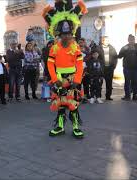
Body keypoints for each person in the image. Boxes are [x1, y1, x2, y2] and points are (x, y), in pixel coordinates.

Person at [42, 0, 87, 138]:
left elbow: (79, 64)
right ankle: (60, 127)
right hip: (59, 79)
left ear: (72, 34)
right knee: (61, 105)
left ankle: (75, 127)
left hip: (72, 78)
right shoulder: (54, 48)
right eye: (64, 35)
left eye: (69, 35)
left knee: (73, 105)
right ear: (59, 35)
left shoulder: (76, 47)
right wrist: (55, 80)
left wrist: (77, 80)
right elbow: (50, 64)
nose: (66, 37)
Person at [95, 36, 118, 100]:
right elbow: (95, 58)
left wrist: (114, 66)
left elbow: (115, 57)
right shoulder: (98, 48)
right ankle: (98, 96)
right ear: (102, 41)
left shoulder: (112, 48)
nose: (107, 41)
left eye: (108, 40)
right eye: (106, 40)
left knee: (109, 84)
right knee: (99, 83)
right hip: (101, 69)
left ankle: (108, 96)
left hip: (110, 68)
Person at [118, 34, 137, 101]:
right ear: (128, 40)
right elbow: (119, 56)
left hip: (135, 68)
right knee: (127, 82)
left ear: (134, 40)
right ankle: (127, 96)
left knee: (135, 82)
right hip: (127, 68)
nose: (132, 41)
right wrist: (123, 51)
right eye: (130, 39)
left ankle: (135, 96)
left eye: (133, 39)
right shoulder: (125, 47)